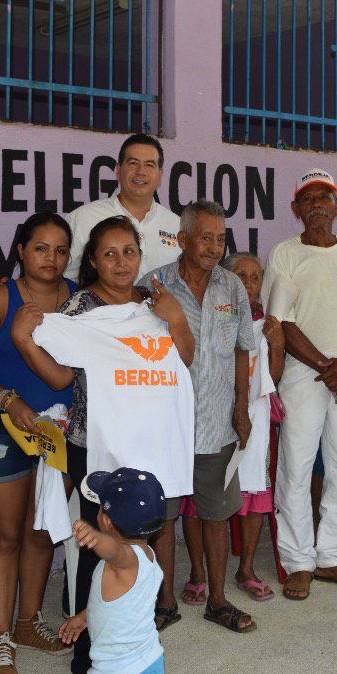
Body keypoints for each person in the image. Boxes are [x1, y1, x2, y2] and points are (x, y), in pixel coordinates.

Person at [11, 215, 194, 674]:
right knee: (102, 544)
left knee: (141, 544)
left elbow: (183, 360)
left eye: (128, 252)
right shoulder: (80, 309)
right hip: (96, 447)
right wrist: (23, 341)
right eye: (108, 253)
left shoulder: (156, 304)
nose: (120, 262)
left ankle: (131, 635)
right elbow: (59, 375)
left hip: (148, 443)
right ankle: (89, 649)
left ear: (140, 255)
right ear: (92, 260)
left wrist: (177, 321)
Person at [0, 212, 77, 674]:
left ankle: (30, 623)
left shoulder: (80, 299)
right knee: (7, 535)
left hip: (61, 433)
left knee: (42, 529)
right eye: (40, 248)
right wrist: (8, 401)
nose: (50, 258)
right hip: (3, 427)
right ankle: (2, 636)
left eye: (60, 249)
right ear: (20, 252)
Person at [138, 201, 258, 634]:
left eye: (220, 238)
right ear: (183, 240)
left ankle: (218, 601)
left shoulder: (233, 287)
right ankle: (166, 601)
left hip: (217, 422)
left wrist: (242, 407)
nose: (213, 246)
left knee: (217, 515)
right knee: (164, 517)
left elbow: (244, 347)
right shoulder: (153, 286)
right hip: (165, 424)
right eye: (204, 237)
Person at [262, 169, 337, 600]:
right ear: (296, 209)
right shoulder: (284, 253)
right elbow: (281, 321)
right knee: (295, 467)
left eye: (324, 198)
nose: (316, 205)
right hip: (301, 373)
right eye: (307, 199)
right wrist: (325, 366)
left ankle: (331, 557)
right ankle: (298, 562)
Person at [58, 468, 167, 674]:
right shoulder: (148, 555)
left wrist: (95, 537)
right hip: (151, 664)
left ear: (105, 520)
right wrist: (85, 617)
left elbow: (114, 552)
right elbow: (126, 606)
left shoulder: (125, 559)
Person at [221, 252, 285, 601]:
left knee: (252, 494)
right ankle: (201, 573)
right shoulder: (211, 316)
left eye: (255, 277)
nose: (248, 284)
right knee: (210, 496)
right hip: (215, 417)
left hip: (255, 424)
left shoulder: (268, 323)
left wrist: (278, 346)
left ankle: (245, 567)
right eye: (240, 276)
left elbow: (272, 378)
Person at [65, 133, 181, 283]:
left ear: (160, 175)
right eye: (133, 163)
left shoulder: (177, 226)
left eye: (149, 165)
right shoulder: (82, 218)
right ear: (118, 171)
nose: (140, 172)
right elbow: (64, 281)